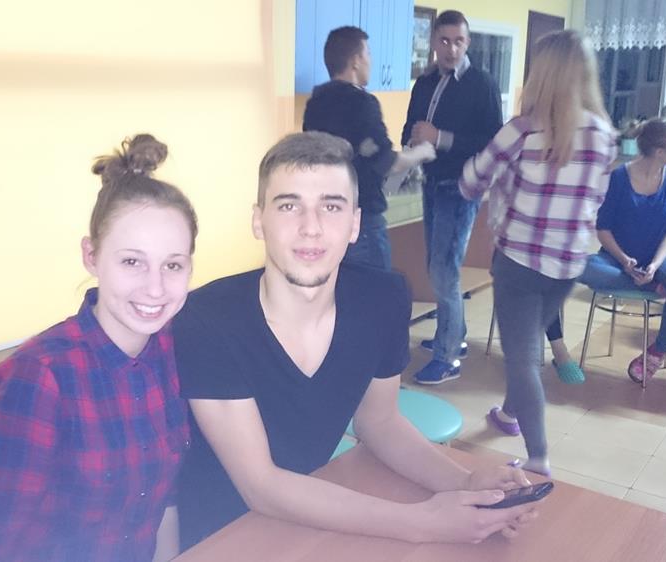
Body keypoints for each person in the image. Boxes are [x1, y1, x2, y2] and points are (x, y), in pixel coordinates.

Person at [174, 131, 537, 550]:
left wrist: (466, 483)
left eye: (331, 206)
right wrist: (423, 522)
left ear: (355, 224)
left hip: (318, 511)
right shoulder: (207, 321)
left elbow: (379, 422)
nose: (311, 228)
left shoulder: (382, 299)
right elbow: (261, 485)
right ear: (259, 221)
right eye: (289, 205)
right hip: (222, 535)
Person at [0, 134, 197, 562]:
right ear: (91, 256)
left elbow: (163, 501)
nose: (155, 288)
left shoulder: (168, 350)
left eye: (173, 265)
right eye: (132, 261)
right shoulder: (38, 378)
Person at [459, 30, 618, 477]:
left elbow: (471, 182)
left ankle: (538, 457)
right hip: (569, 264)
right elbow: (596, 198)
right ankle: (510, 413)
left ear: (541, 74)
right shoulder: (605, 135)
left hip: (521, 263)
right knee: (526, 348)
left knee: (523, 358)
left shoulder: (521, 131)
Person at [402, 10, 503, 384]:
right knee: (437, 266)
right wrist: (412, 142)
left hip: (461, 188)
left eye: (458, 41)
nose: (451, 49)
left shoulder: (481, 84)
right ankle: (453, 335)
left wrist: (439, 138)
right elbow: (411, 127)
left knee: (444, 271)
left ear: (468, 42)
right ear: (433, 42)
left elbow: (493, 142)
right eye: (444, 40)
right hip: (430, 182)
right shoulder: (424, 83)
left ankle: (447, 358)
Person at [303, 26, 435, 270]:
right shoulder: (362, 103)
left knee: (336, 287)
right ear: (356, 61)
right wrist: (422, 152)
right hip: (360, 221)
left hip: (324, 216)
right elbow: (387, 163)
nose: (371, 61)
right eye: (369, 53)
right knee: (375, 289)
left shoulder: (315, 103)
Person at [578, 117, 666, 382]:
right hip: (616, 259)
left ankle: (656, 352)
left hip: (660, 257)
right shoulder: (618, 177)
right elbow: (603, 228)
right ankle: (651, 285)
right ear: (660, 151)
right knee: (579, 266)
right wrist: (624, 260)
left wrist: (654, 265)